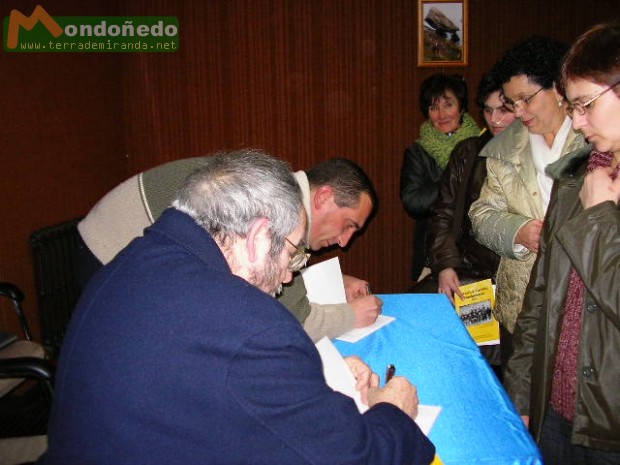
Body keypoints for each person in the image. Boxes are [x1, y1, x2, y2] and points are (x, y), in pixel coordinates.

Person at [41, 150, 435, 464]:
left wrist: (317, 379)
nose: (287, 278)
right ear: (259, 236)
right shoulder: (254, 330)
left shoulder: (136, 260)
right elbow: (356, 457)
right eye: (293, 254)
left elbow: (212, 381)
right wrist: (395, 411)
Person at [75, 157, 383, 342]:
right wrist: (350, 316)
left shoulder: (277, 188)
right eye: (349, 225)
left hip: (114, 248)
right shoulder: (276, 208)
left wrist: (336, 285)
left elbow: (280, 284)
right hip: (107, 259)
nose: (344, 242)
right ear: (324, 197)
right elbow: (292, 321)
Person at [504, 23, 620, 464]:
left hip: (610, 429)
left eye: (587, 104)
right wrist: (521, 392)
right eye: (573, 107)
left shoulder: (595, 201)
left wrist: (600, 220)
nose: (578, 120)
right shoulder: (577, 177)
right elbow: (540, 296)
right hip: (554, 408)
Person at [468, 36, 586, 371]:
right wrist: (519, 231)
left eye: (525, 99)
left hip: (579, 299)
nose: (518, 112)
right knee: (520, 395)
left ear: (557, 88)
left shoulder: (592, 138)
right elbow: (481, 214)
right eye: (511, 102)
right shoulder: (505, 147)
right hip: (519, 298)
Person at [414, 70, 515, 300]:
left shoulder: (537, 153)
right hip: (470, 270)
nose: (494, 119)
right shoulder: (468, 151)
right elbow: (444, 212)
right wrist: (446, 265)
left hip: (514, 275)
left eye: (503, 110)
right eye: (488, 110)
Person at [400, 73, 481, 283]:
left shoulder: (482, 144)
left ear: (461, 107)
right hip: (433, 246)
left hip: (477, 246)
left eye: (448, 104)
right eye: (433, 107)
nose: (441, 114)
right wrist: (453, 182)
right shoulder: (418, 151)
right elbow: (412, 201)